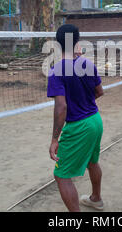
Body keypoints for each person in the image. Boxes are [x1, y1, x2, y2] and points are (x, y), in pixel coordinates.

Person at [47, 24, 105, 212]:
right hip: (95, 120)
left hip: (79, 126)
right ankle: (96, 198)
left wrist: (55, 138)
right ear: (77, 41)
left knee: (61, 174)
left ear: (58, 44)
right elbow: (99, 92)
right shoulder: (87, 64)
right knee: (92, 161)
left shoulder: (56, 70)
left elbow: (61, 106)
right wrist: (83, 101)